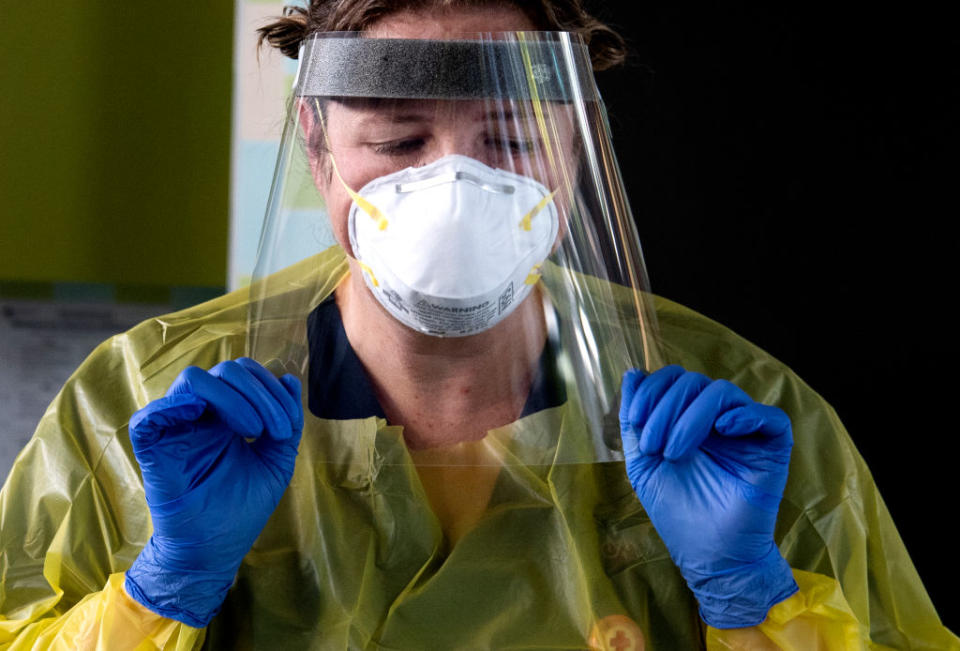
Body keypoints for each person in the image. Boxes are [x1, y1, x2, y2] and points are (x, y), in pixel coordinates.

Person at [0, 1, 955, 649]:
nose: (454, 194)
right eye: (398, 141)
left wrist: (755, 598)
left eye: (508, 140)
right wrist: (161, 590)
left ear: (578, 140)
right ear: (317, 145)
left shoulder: (739, 411)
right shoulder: (142, 401)